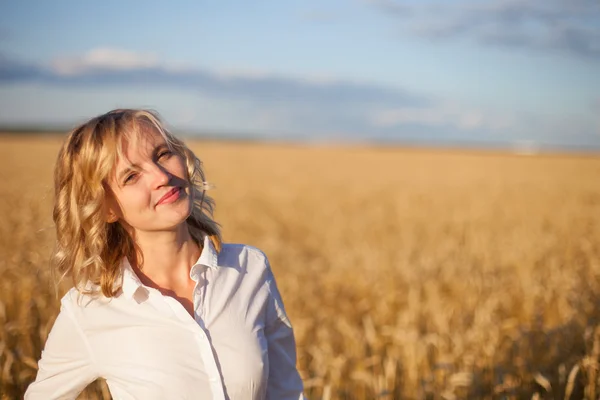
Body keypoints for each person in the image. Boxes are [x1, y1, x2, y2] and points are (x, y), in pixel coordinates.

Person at [25, 109, 305, 400]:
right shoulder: (89, 311)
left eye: (162, 155)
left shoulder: (249, 268)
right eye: (131, 176)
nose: (161, 176)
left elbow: (287, 392)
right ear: (106, 207)